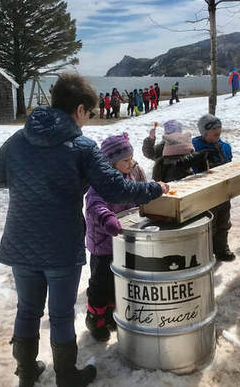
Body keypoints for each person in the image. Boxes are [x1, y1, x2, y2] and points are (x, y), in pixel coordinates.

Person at [0, 73, 168, 387]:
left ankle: (27, 374)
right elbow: (114, 187)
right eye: (89, 114)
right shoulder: (81, 146)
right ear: (80, 110)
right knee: (60, 313)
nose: (87, 121)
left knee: (27, 309)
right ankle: (67, 375)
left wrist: (24, 181)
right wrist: (155, 189)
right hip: (60, 246)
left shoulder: (18, 139)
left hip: (20, 240)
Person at [85, 133, 147, 341]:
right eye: (125, 161)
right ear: (111, 162)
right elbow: (94, 204)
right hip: (103, 243)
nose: (131, 163)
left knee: (120, 281)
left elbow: (142, 191)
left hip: (124, 239)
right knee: (100, 283)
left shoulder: (135, 172)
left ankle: (114, 314)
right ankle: (95, 319)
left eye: (131, 159)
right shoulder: (101, 181)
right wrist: (107, 218)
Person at [193, 114, 236, 262]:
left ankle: (222, 249)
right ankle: (206, 253)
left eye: (220, 131)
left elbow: (231, 165)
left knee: (224, 222)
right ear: (204, 133)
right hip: (206, 194)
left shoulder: (225, 147)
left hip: (223, 192)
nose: (218, 134)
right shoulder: (194, 147)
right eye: (214, 132)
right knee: (209, 224)